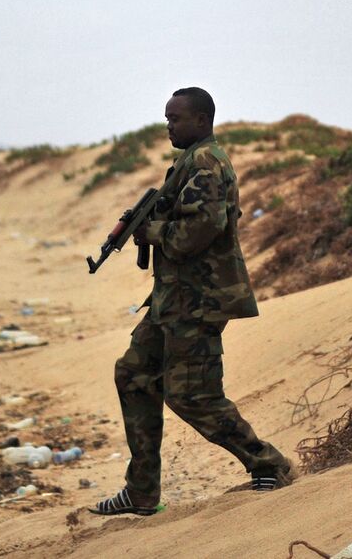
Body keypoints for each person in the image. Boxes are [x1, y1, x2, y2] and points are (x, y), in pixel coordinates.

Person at [91, 87, 293, 517]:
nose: (169, 126)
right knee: (133, 374)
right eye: (166, 119)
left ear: (202, 121)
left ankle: (269, 464)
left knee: (192, 395)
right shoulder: (189, 161)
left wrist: (153, 233)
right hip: (173, 299)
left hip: (199, 300)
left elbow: (200, 230)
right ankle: (141, 491)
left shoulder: (207, 162)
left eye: (176, 119)